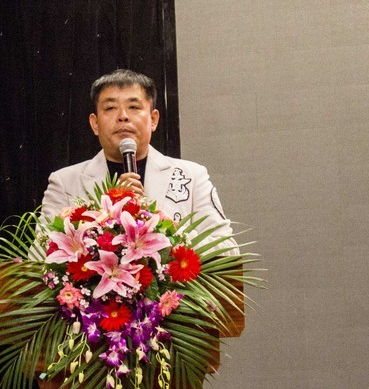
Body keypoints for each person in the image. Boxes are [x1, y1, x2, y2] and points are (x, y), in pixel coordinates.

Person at [41, 69, 238, 255]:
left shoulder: (192, 177)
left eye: (134, 107)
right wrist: (107, 221)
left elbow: (227, 249)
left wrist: (159, 229)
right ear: (95, 123)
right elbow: (39, 253)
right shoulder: (65, 183)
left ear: (153, 119)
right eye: (110, 108)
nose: (123, 117)